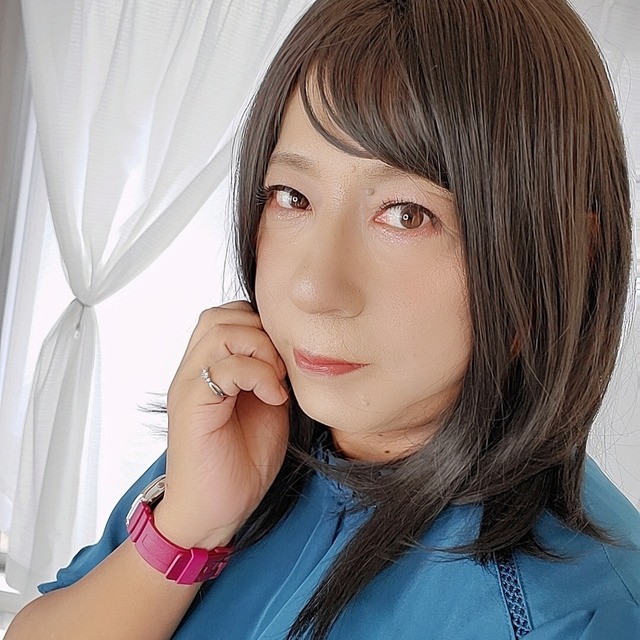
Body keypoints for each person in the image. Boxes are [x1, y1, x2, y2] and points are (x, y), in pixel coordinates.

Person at [7, 0, 640, 638]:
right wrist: (187, 532)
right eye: (293, 196)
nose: (312, 288)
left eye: (406, 214)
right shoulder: (251, 442)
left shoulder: (574, 615)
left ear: (564, 252)